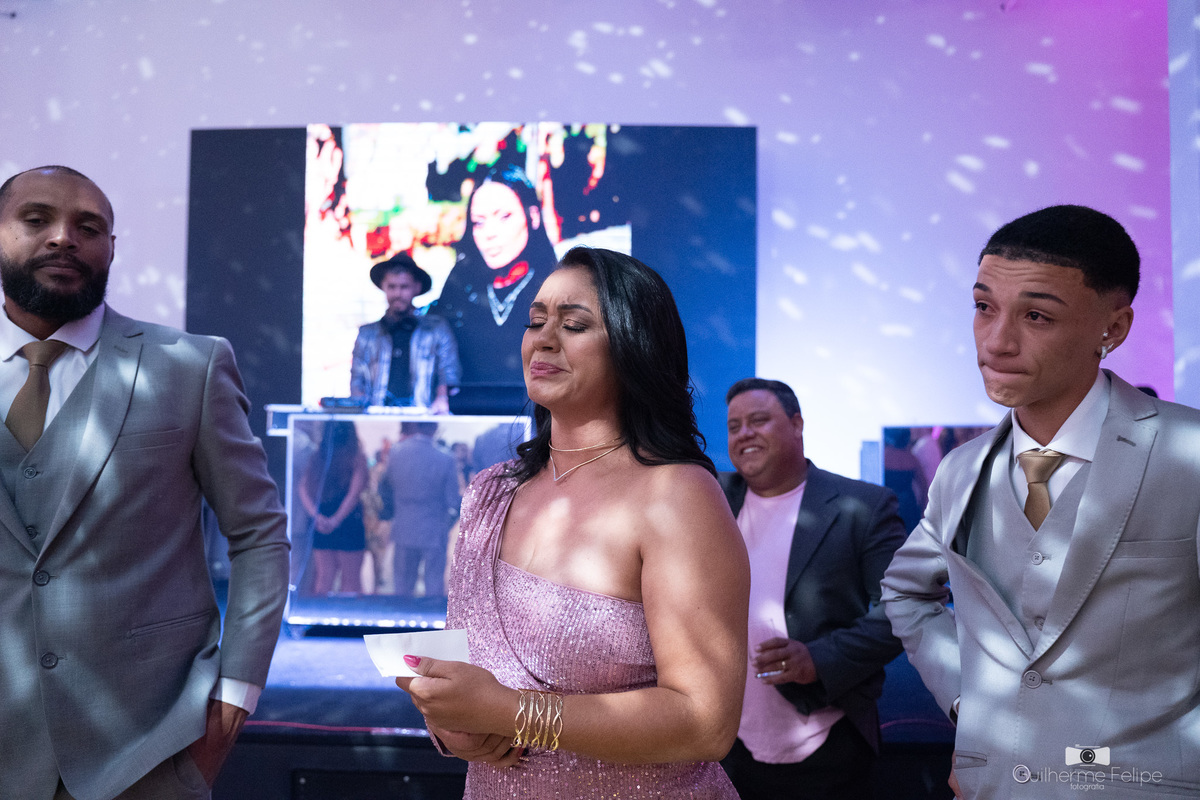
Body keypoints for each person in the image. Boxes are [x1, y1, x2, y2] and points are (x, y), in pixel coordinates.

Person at [397, 247, 749, 798]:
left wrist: (514, 712)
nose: (543, 339)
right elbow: (470, 671)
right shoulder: (489, 493)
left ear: (634, 347)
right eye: (535, 321)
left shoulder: (676, 495)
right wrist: (453, 724)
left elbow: (706, 723)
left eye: (574, 324)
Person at [881, 205, 1200, 798]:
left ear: (1114, 328)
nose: (997, 342)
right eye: (983, 307)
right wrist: (974, 706)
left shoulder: (1189, 454)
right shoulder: (961, 470)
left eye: (1036, 316)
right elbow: (905, 591)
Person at [0, 164, 290, 799]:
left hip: (148, 750)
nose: (63, 237)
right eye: (36, 219)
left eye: (89, 227)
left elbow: (259, 534)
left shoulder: (190, 365)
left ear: (111, 248)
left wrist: (237, 692)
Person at [719, 377, 906, 800]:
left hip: (826, 744)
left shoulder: (864, 506)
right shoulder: (714, 501)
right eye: (734, 426)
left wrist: (817, 659)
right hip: (728, 747)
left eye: (759, 420)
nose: (744, 433)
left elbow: (900, 611)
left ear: (797, 424)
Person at [431, 164, 556, 396]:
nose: (489, 233)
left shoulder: (555, 286)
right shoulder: (460, 287)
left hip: (538, 410)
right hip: (469, 410)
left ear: (533, 216)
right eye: (479, 222)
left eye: (504, 217)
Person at [349, 252, 460, 411]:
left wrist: (441, 400)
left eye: (404, 287)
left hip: (422, 414)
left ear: (417, 287)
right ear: (383, 287)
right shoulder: (367, 334)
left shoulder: (436, 329)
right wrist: (363, 411)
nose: (397, 294)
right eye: (392, 287)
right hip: (378, 415)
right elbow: (357, 379)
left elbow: (449, 371)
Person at [379, 420, 461, 597]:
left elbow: (385, 487)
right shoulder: (445, 458)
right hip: (434, 526)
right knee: (433, 583)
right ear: (435, 427)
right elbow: (453, 500)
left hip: (403, 524)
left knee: (402, 585)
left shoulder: (396, 452)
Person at [298, 420, 368, 595]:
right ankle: (348, 614)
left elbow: (303, 489)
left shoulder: (317, 457)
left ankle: (321, 614)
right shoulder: (356, 457)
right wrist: (336, 520)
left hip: (323, 516)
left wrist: (317, 517)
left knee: (324, 578)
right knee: (350, 581)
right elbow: (354, 493)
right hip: (348, 519)